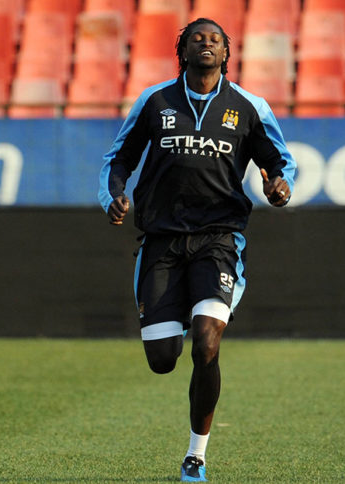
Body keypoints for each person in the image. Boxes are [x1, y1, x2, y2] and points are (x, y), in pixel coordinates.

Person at [99, 18, 295, 482]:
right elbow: (119, 158)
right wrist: (114, 196)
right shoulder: (155, 101)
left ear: (226, 53)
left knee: (207, 343)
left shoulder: (249, 107)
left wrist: (280, 187)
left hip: (219, 238)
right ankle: (185, 308)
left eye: (215, 40)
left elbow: (279, 163)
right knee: (163, 359)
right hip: (162, 240)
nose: (206, 43)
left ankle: (196, 456)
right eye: (197, 38)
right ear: (182, 50)